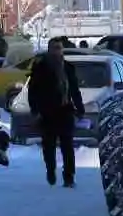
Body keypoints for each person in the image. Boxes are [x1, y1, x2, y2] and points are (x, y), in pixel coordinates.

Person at [27, 36, 86, 187]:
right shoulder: (41, 67)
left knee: (67, 146)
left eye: (59, 48)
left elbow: (74, 89)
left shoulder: (67, 67)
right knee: (49, 146)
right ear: (49, 50)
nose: (56, 51)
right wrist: (35, 109)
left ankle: (69, 177)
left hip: (65, 110)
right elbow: (32, 90)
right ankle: (51, 171)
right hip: (47, 112)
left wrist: (80, 108)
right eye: (54, 48)